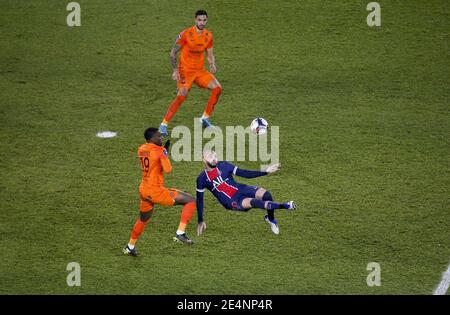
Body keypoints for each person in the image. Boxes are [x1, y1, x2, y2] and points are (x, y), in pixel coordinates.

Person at [123, 128, 196, 256]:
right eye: (159, 137)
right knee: (190, 200)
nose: (161, 138)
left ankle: (130, 246)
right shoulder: (159, 151)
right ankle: (180, 233)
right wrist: (164, 154)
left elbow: (152, 158)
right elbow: (168, 169)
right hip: (155, 191)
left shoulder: (141, 149)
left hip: (144, 189)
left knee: (143, 219)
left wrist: (162, 152)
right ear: (151, 139)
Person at [195, 151, 296, 236]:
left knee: (266, 195)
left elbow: (244, 173)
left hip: (240, 189)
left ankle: (271, 219)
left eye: (215, 156)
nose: (214, 158)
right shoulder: (202, 179)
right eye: (210, 157)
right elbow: (200, 200)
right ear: (204, 160)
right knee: (256, 202)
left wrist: (266, 171)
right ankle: (287, 205)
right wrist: (200, 220)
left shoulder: (224, 165)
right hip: (232, 201)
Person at [159, 9, 222, 136]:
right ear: (195, 20)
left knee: (217, 88)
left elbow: (210, 53)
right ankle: (163, 125)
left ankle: (205, 118)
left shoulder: (208, 36)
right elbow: (173, 53)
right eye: (199, 20)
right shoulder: (186, 34)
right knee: (182, 95)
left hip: (200, 71)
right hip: (185, 71)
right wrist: (175, 70)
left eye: (204, 20)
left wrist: (212, 63)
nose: (202, 22)